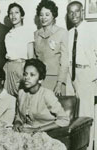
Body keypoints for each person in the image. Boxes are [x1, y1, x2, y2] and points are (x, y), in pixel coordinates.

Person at [0, 59, 69, 150]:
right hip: (24, 131)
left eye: (32, 75)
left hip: (41, 132)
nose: (27, 78)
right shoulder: (21, 93)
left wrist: (38, 129)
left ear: (40, 79)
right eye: (25, 74)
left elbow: (64, 120)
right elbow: (19, 116)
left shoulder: (47, 94)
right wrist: (18, 123)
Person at [66, 1, 97, 149]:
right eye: (70, 12)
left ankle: (88, 147)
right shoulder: (69, 33)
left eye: (76, 11)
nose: (74, 15)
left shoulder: (92, 30)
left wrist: (93, 78)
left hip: (87, 75)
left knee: (86, 115)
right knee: (72, 115)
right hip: (72, 75)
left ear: (82, 12)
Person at [34, 0, 68, 96]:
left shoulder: (62, 33)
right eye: (41, 15)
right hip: (40, 79)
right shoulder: (36, 34)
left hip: (56, 80)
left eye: (47, 14)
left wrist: (59, 83)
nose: (43, 18)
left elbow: (65, 61)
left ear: (53, 16)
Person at [3, 2, 34, 97]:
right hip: (8, 68)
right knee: (8, 98)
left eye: (16, 12)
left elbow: (31, 55)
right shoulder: (8, 35)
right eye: (11, 13)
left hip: (21, 67)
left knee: (22, 97)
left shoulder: (27, 31)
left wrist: (27, 72)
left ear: (22, 16)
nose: (13, 15)